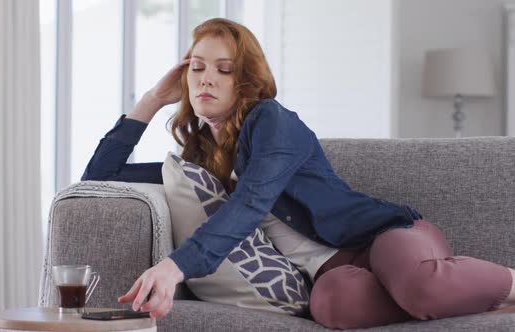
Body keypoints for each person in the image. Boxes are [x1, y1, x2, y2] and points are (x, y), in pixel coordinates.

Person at [81, 18, 515, 328]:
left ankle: (505, 284)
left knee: (417, 285)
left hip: (383, 238)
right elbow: (98, 181)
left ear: (244, 80)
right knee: (334, 309)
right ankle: (463, 301)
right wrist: (153, 100)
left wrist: (175, 267)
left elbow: (250, 204)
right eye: (196, 67)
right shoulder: (197, 166)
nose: (205, 78)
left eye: (223, 69)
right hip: (332, 275)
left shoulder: (271, 121)